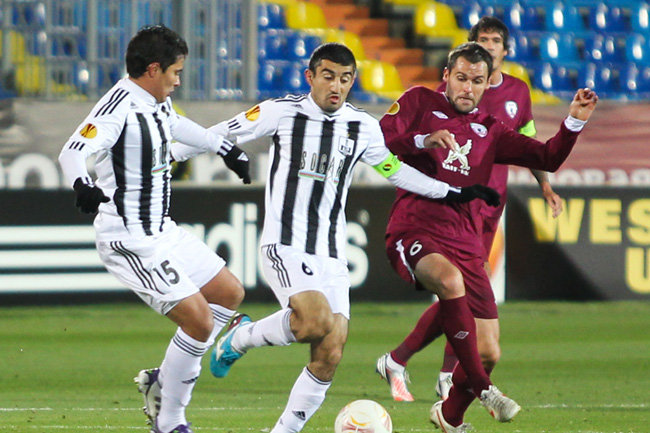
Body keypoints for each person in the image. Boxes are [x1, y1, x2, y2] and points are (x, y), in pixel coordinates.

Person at [171, 42, 500, 433]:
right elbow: (220, 133)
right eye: (328, 77)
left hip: (331, 253)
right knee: (314, 320)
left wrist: (452, 192)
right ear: (310, 77)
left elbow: (394, 170)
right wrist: (167, 156)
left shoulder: (362, 126)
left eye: (345, 79)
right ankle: (240, 338)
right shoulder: (281, 112)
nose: (336, 86)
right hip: (285, 244)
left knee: (330, 351)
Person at [375, 42, 597, 431]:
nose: (468, 88)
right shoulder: (418, 102)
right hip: (415, 226)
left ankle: (450, 416)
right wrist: (422, 140)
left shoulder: (491, 130)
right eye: (461, 78)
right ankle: (484, 388)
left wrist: (573, 122)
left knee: (489, 350)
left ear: (486, 84)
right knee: (449, 280)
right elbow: (377, 143)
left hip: (464, 239)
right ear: (447, 76)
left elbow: (547, 157)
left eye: (477, 81)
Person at [58, 25, 252, 433]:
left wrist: (224, 148)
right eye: (175, 72)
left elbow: (175, 125)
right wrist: (82, 184)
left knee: (229, 293)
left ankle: (164, 378)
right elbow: (73, 150)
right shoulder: (118, 106)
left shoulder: (156, 102)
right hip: (129, 239)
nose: (178, 81)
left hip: (163, 230)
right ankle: (169, 421)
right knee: (199, 321)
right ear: (153, 69)